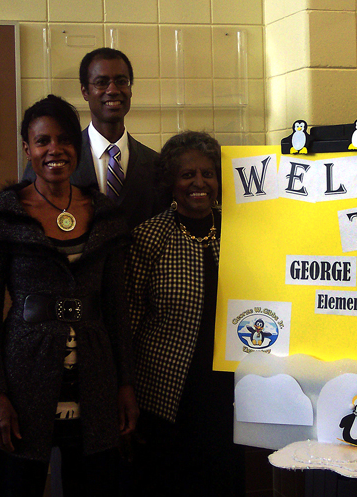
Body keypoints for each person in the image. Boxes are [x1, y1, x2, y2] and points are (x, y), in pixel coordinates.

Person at [0, 94, 139, 497]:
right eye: (42, 141)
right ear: (28, 149)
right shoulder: (3, 215)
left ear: (76, 149)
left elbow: (117, 308)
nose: (53, 150)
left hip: (95, 382)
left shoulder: (105, 214)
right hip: (23, 383)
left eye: (63, 140)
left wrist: (125, 384)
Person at [126, 131, 245, 496]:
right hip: (166, 394)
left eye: (208, 174)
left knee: (224, 482)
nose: (199, 183)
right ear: (170, 182)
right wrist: (124, 388)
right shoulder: (149, 237)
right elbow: (128, 321)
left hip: (229, 391)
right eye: (187, 174)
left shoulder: (241, 231)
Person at [23, 48, 161, 229]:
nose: (112, 90)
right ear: (85, 91)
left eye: (121, 81)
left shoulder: (155, 164)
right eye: (101, 82)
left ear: (130, 89)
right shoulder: (53, 159)